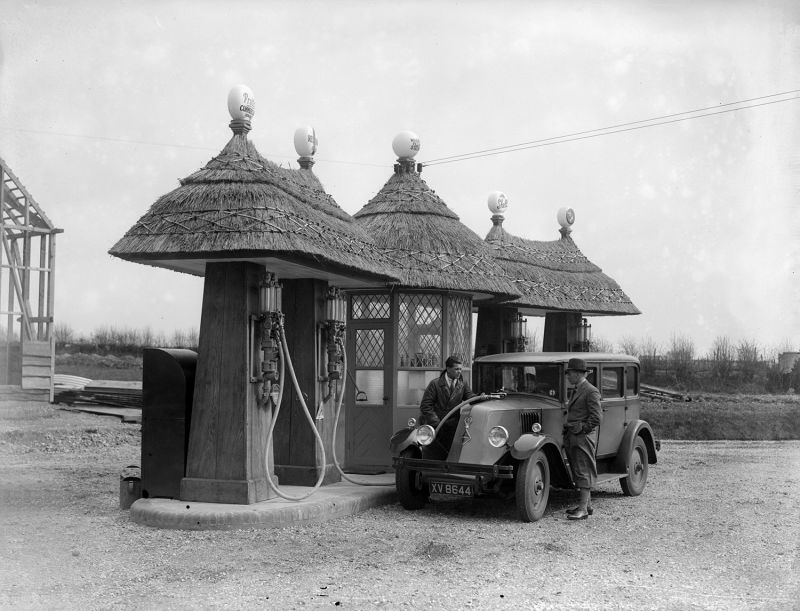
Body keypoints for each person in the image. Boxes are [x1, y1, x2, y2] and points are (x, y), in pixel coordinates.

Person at [563, 357, 602, 520]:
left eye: (570, 373)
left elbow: (597, 417)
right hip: (574, 436)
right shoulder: (578, 389)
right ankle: (587, 506)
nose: (568, 376)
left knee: (583, 470)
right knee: (579, 470)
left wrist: (582, 429)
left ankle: (583, 510)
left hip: (582, 437)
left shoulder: (590, 391)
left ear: (578, 373)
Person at [419, 355, 477, 454]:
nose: (459, 371)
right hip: (437, 427)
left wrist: (481, 397)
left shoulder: (462, 384)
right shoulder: (435, 384)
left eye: (460, 369)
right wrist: (436, 423)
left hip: (453, 428)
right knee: (436, 455)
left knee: (451, 455)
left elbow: (470, 398)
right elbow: (425, 406)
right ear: (448, 369)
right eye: (456, 369)